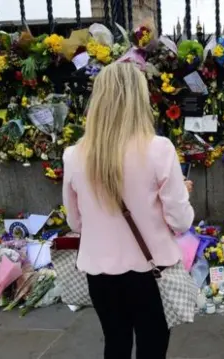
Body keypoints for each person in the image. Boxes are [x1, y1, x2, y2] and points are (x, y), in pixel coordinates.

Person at [62, 62, 194, 359]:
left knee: (116, 342)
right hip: (151, 270)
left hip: (99, 271)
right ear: (139, 99)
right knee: (152, 346)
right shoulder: (159, 149)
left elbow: (75, 221)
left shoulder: (74, 155)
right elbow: (181, 220)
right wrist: (182, 194)